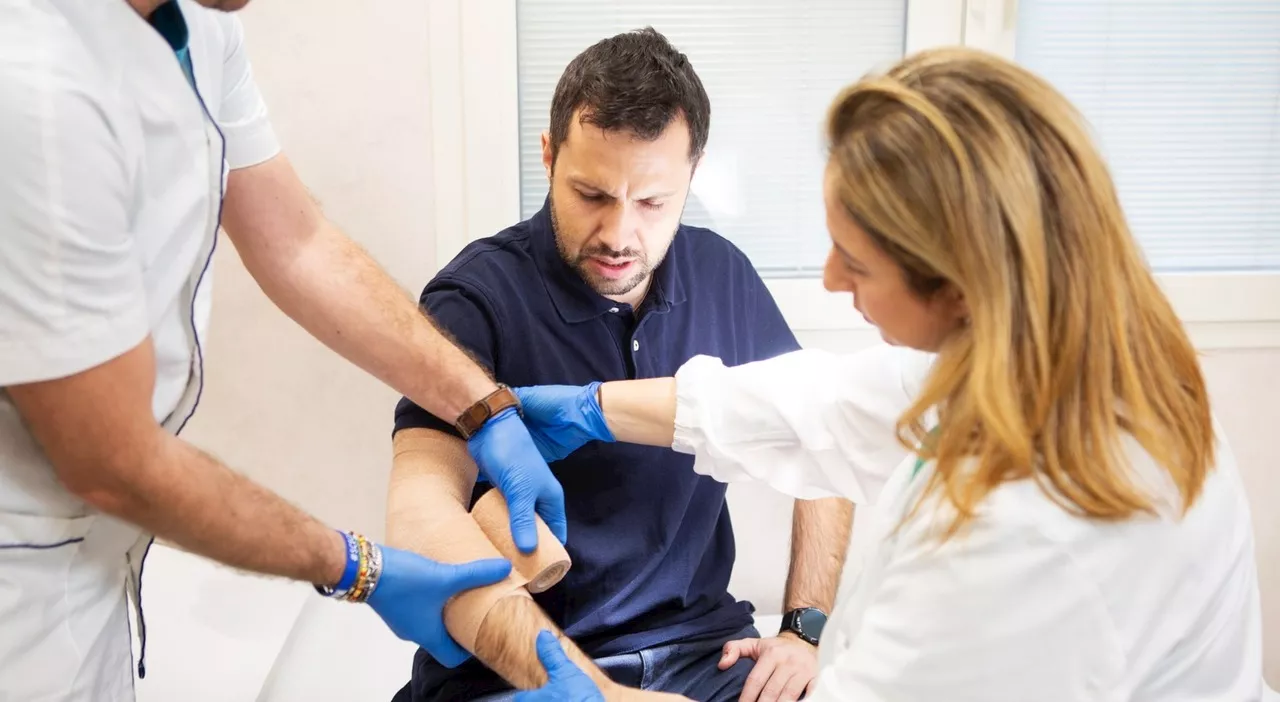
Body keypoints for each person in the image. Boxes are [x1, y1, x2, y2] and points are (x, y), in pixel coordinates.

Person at [510, 46, 1266, 701]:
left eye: (859, 262)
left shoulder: (1032, 543)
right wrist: (590, 407)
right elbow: (823, 404)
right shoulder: (1043, 361)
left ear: (966, 288)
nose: (833, 280)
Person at [0, 1, 565, 699]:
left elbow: (297, 244)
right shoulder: (31, 89)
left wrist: (483, 406)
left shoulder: (204, 31)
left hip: (94, 567)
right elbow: (115, 463)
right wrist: (357, 566)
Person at [386, 28, 857, 702]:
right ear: (548, 157)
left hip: (705, 655)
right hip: (524, 671)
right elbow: (420, 507)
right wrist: (585, 689)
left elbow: (823, 438)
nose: (618, 233)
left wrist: (803, 629)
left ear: (692, 176)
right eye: (592, 195)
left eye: (652, 203)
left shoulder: (722, 275)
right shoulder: (476, 299)